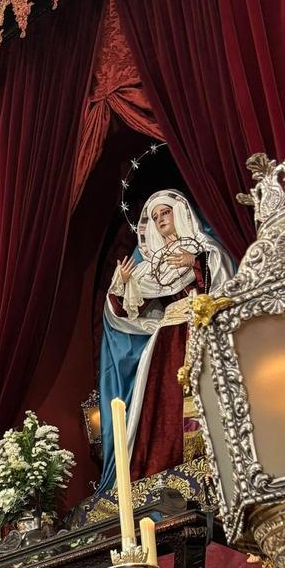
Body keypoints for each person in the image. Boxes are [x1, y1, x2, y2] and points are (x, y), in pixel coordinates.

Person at [97, 189, 232, 493]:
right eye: (156, 217)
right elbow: (129, 310)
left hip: (201, 325)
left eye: (165, 213)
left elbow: (221, 280)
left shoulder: (203, 249)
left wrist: (195, 262)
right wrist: (123, 284)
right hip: (168, 337)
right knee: (164, 401)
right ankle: (166, 471)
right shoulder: (151, 266)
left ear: (180, 213)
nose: (160, 220)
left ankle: (215, 459)